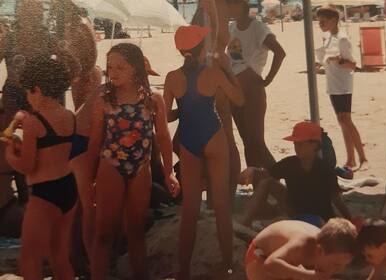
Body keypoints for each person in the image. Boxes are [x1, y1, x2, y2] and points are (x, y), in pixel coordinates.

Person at [88, 43, 179, 280]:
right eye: (110, 67)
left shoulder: (152, 100)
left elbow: (163, 138)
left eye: (120, 67)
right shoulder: (103, 98)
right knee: (104, 233)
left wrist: (169, 172)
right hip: (111, 166)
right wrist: (89, 179)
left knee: (137, 231)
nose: (113, 71)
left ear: (136, 69)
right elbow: (95, 141)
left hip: (141, 168)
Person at [164, 25, 243, 278]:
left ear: (180, 50)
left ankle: (184, 271)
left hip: (188, 139)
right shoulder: (213, 72)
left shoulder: (171, 77)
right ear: (202, 49)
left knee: (189, 210)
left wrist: (184, 110)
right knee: (221, 205)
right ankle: (228, 265)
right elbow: (239, 99)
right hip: (213, 137)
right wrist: (229, 70)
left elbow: (167, 116)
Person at [3, 56, 77, 280]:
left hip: (45, 194)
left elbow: (27, 166)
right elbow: (54, 152)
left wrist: (10, 154)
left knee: (30, 259)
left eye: (28, 92)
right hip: (68, 189)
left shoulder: (34, 123)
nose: (27, 97)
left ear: (38, 90)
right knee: (59, 257)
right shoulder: (69, 116)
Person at [238, 121, 352, 228]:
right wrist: (253, 170)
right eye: (295, 144)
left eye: (300, 144)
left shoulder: (325, 169)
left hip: (320, 217)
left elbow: (336, 199)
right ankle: (246, 222)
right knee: (267, 182)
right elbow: (267, 175)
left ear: (315, 146)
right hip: (294, 210)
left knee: (277, 222)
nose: (297, 148)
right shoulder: (290, 163)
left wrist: (350, 221)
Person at [192, 0, 243, 199]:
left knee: (226, 138)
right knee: (217, 138)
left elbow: (222, 37)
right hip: (208, 71)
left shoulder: (214, 5)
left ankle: (225, 193)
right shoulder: (208, 6)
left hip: (212, 72)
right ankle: (217, 192)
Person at [226, 0, 286, 170]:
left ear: (241, 5)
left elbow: (280, 53)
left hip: (251, 87)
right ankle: (258, 185)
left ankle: (280, 181)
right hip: (235, 87)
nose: (227, 7)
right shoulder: (232, 27)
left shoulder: (257, 27)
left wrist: (268, 79)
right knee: (247, 141)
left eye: (230, 4)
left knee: (256, 142)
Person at [316, 6, 368, 171]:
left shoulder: (343, 39)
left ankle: (363, 158)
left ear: (333, 21)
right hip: (333, 85)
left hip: (344, 85)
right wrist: (321, 62)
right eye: (319, 21)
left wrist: (337, 61)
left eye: (323, 21)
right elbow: (327, 60)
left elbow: (352, 65)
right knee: (342, 122)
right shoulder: (328, 37)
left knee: (346, 120)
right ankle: (351, 159)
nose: (320, 24)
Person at [245, 218, 357, 280]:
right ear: (320, 251)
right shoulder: (302, 244)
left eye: (345, 265)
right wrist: (308, 275)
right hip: (259, 255)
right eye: (336, 264)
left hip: (288, 259)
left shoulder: (328, 247)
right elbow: (270, 264)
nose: (340, 269)